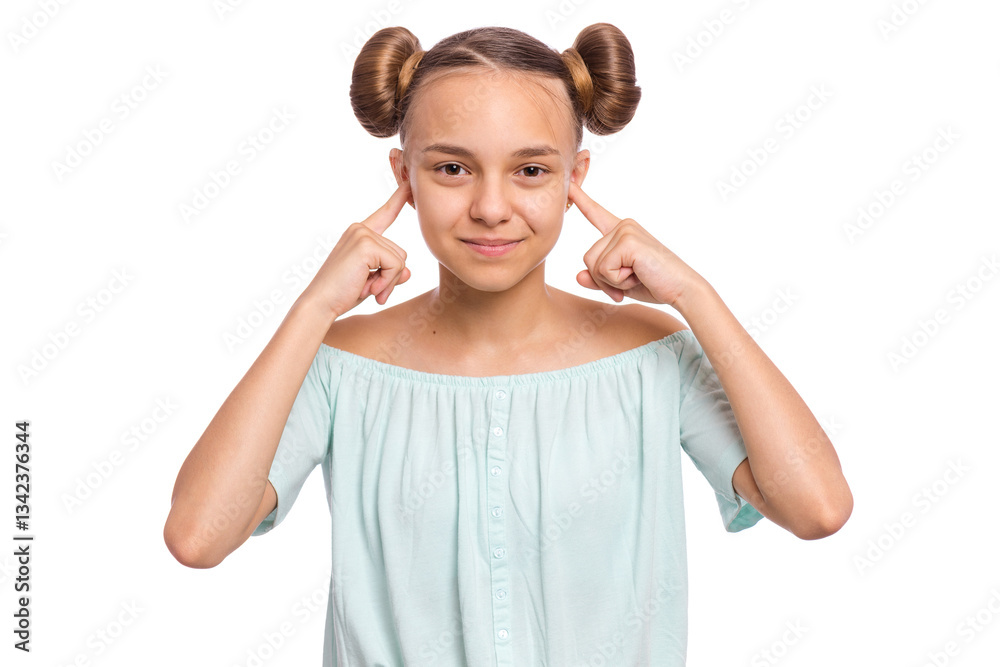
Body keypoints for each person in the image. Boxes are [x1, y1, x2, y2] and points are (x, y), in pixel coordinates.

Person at [163, 22, 853, 666]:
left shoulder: (652, 357)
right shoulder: (341, 364)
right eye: (452, 169)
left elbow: (817, 507)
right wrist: (312, 308)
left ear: (574, 179)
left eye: (530, 171)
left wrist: (696, 297)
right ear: (404, 178)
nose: (491, 208)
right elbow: (198, 536)